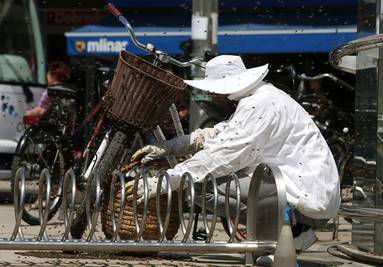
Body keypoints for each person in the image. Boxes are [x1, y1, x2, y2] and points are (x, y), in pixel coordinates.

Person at [126, 55, 340, 253]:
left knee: (199, 187)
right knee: (204, 180)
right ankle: (284, 237)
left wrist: (165, 182)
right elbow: (221, 133)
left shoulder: (260, 105)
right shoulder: (263, 97)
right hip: (308, 190)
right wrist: (168, 147)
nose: (215, 95)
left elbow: (221, 156)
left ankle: (286, 237)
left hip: (306, 197)